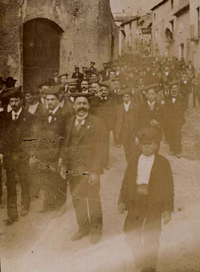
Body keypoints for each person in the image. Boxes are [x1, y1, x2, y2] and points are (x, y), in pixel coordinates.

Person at [118, 127, 174, 272]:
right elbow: (126, 181)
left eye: (150, 144)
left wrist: (168, 209)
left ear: (156, 145)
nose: (147, 147)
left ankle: (149, 267)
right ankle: (140, 259)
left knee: (151, 237)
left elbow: (169, 188)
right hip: (136, 201)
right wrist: (121, 201)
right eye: (144, 144)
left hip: (154, 203)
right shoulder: (134, 160)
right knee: (130, 233)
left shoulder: (163, 163)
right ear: (139, 145)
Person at [60, 94, 105, 244]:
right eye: (78, 103)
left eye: (84, 103)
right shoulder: (69, 123)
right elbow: (66, 145)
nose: (81, 106)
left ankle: (96, 230)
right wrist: (64, 164)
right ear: (74, 106)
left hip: (90, 169)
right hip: (73, 170)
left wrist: (96, 172)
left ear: (89, 106)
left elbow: (102, 149)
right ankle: (83, 228)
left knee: (93, 199)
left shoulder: (97, 123)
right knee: (77, 199)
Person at [30, 86, 69, 212]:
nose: (50, 102)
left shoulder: (65, 115)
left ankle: (60, 206)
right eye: (48, 100)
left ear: (58, 100)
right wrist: (35, 154)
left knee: (59, 179)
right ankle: (49, 203)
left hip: (58, 153)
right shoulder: (42, 114)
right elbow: (37, 135)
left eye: (52, 99)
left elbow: (67, 138)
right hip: (45, 153)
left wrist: (63, 157)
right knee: (46, 178)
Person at [2, 87, 33, 224]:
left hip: (23, 156)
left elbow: (33, 138)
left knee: (24, 181)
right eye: (11, 101)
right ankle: (12, 213)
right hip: (9, 157)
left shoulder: (29, 117)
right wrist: (2, 153)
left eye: (16, 101)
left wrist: (31, 155)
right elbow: (2, 137)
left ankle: (25, 205)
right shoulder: (5, 118)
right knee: (10, 184)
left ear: (21, 101)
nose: (13, 104)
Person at [115, 89, 138, 162]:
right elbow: (118, 120)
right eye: (124, 97)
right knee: (126, 149)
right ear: (122, 98)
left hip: (133, 131)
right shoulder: (119, 107)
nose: (126, 98)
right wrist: (117, 132)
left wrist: (137, 133)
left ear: (130, 97)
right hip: (124, 132)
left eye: (127, 97)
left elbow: (138, 119)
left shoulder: (135, 106)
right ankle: (129, 164)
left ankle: (134, 164)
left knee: (134, 149)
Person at [163, 81, 185, 158]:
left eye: (175, 88)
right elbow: (165, 109)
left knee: (178, 135)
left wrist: (180, 119)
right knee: (171, 134)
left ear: (178, 89)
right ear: (170, 89)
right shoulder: (168, 98)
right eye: (172, 88)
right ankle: (172, 149)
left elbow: (183, 109)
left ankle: (178, 150)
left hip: (178, 119)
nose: (174, 90)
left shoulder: (181, 98)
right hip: (169, 120)